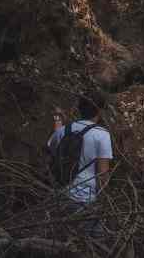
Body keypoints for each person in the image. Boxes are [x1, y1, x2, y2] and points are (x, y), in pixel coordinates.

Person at [48, 91, 113, 236]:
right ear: (100, 111)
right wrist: (104, 203)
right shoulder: (102, 135)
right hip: (85, 200)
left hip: (60, 196)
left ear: (79, 108)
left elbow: (53, 149)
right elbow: (102, 174)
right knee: (94, 242)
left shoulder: (65, 130)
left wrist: (58, 118)